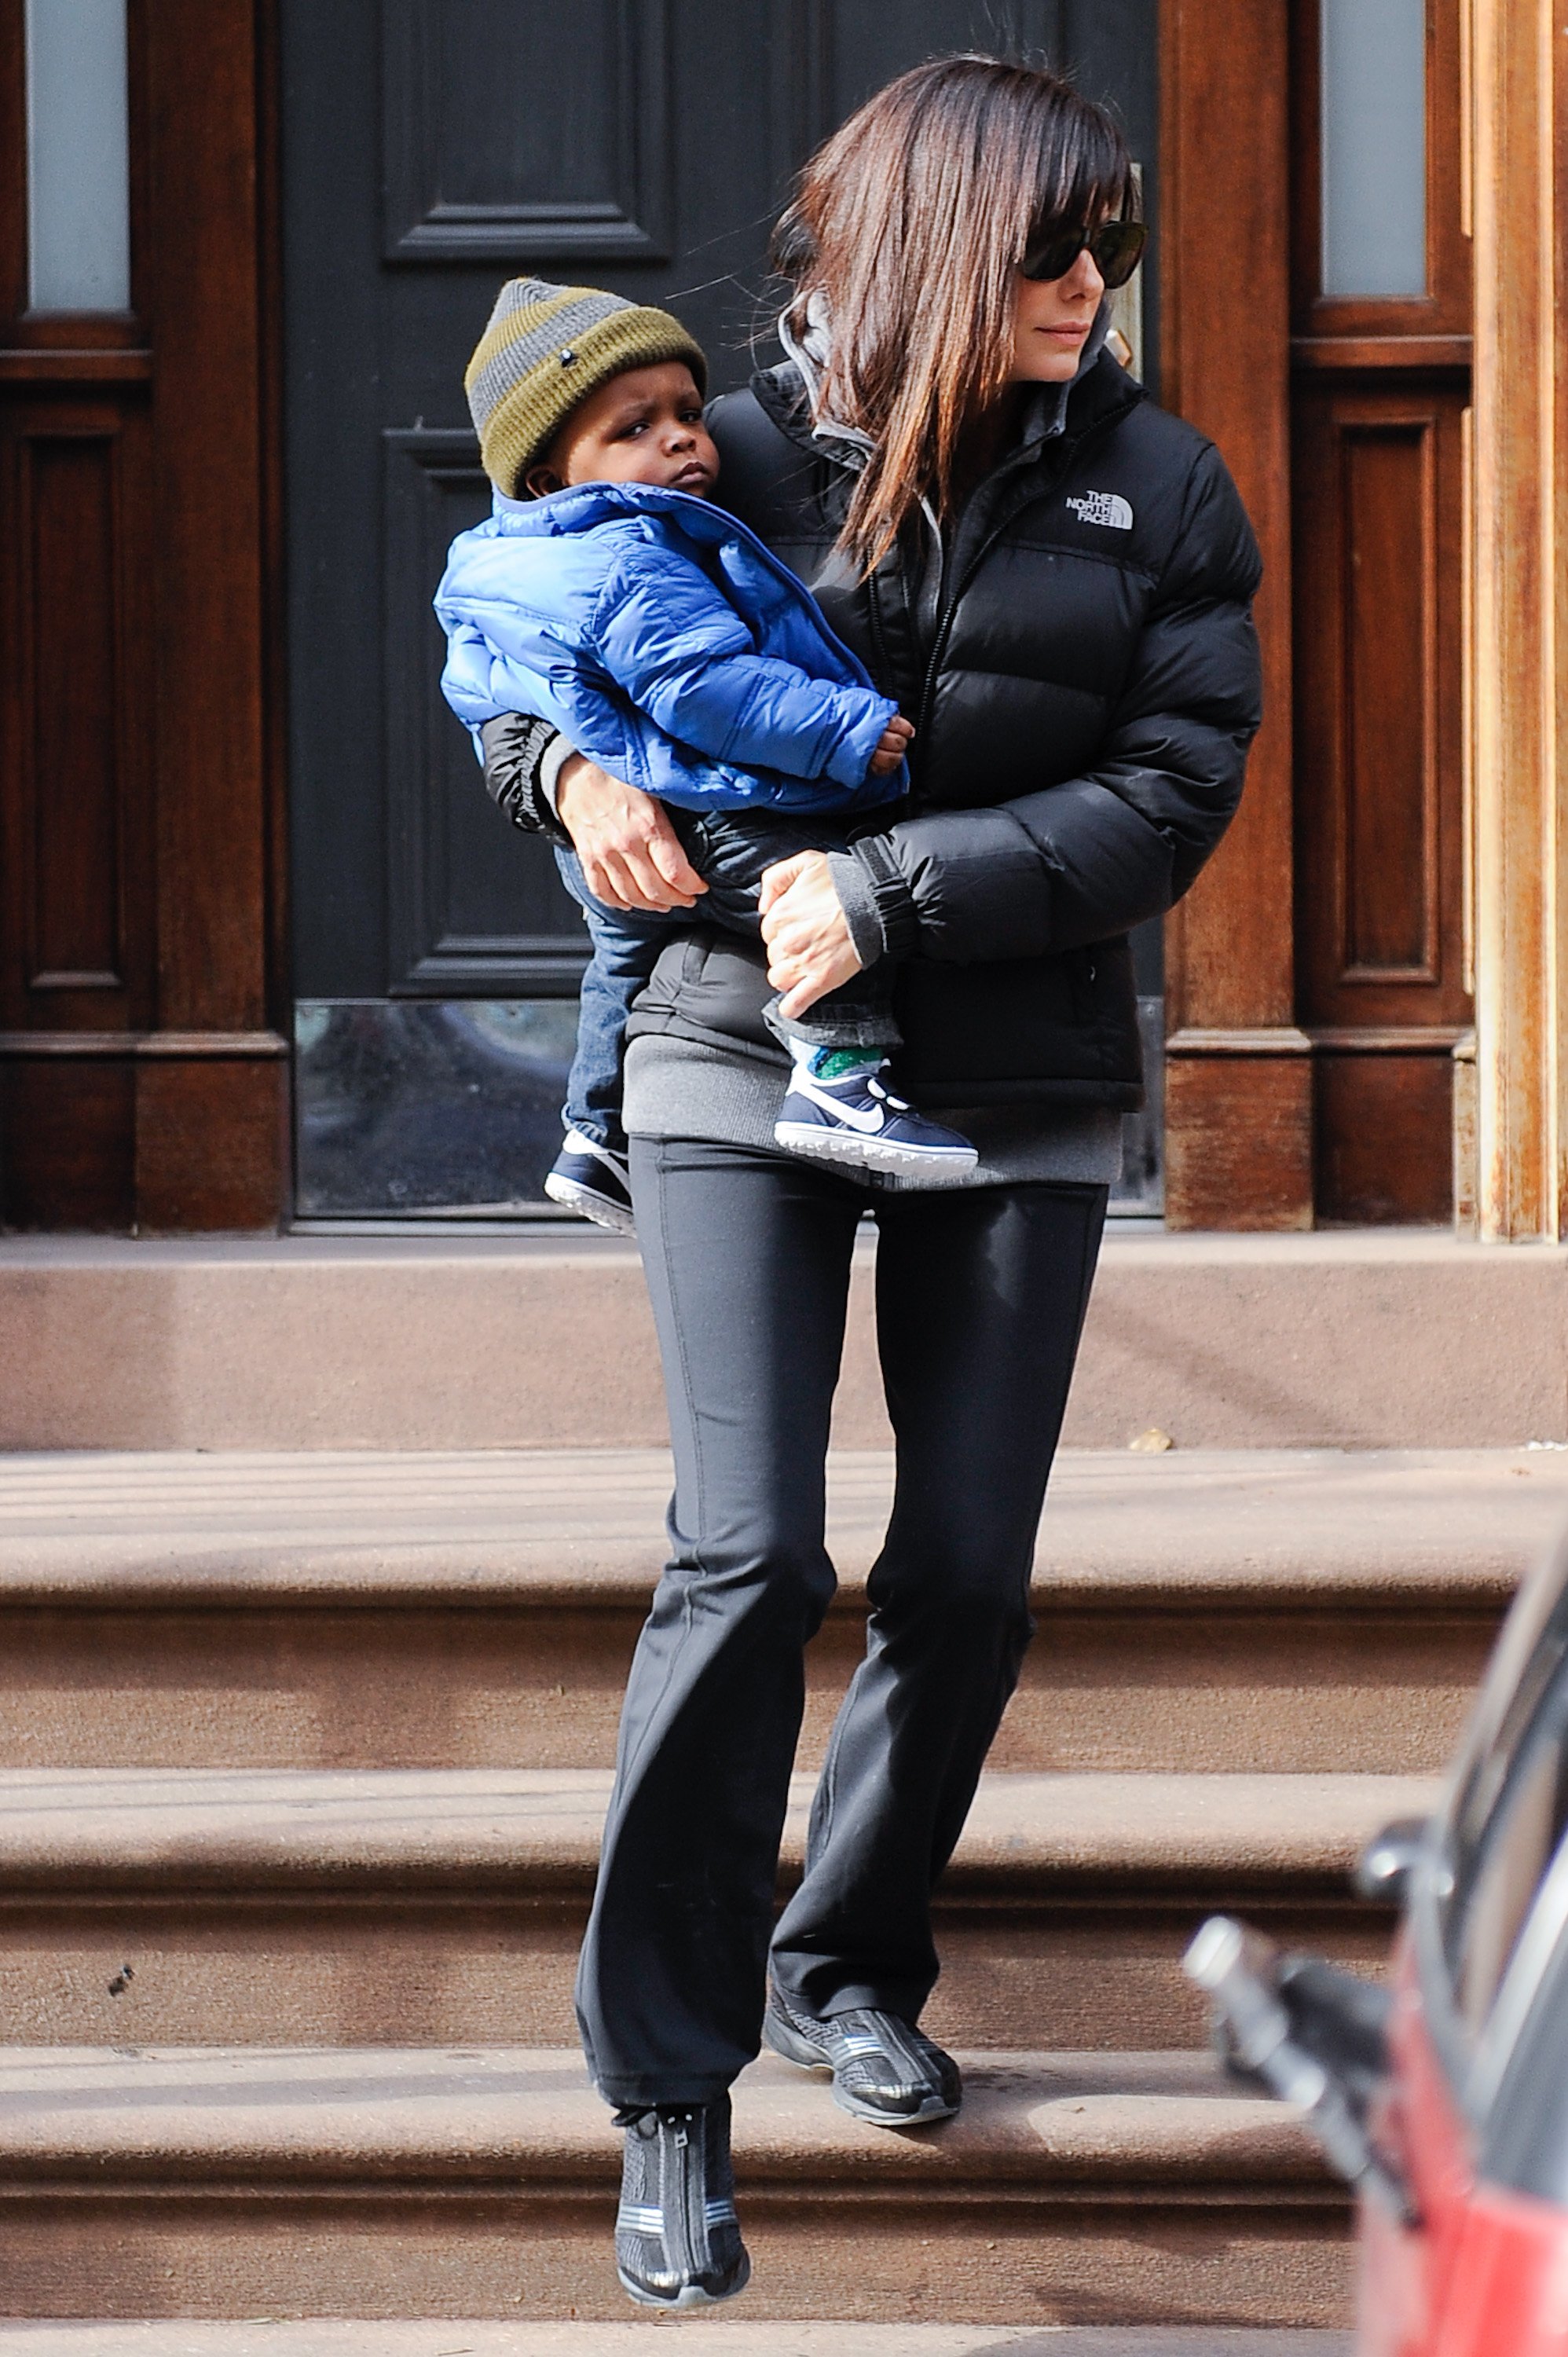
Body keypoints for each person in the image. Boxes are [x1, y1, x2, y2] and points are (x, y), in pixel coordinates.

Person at [482, 54, 1262, 2314]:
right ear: (935, 246)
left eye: (1103, 239)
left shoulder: (1159, 484)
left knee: (969, 1575)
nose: (1091, 279)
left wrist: (898, 897)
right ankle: (671, 2087)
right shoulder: (706, 449)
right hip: (735, 1060)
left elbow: (1171, 786)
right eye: (1049, 245)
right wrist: (550, 772)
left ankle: (841, 1960)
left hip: (1009, 1084)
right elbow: (516, 609)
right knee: (747, 1551)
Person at [437, 280, 979, 1233]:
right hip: (699, 813)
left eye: (687, 412)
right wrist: (841, 728)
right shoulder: (624, 557)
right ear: (546, 477)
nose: (683, 438)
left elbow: (478, 681)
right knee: (819, 895)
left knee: (620, 963)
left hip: (625, 833)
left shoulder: (502, 558)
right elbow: (704, 687)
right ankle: (838, 1079)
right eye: (634, 427)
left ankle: (592, 1134)